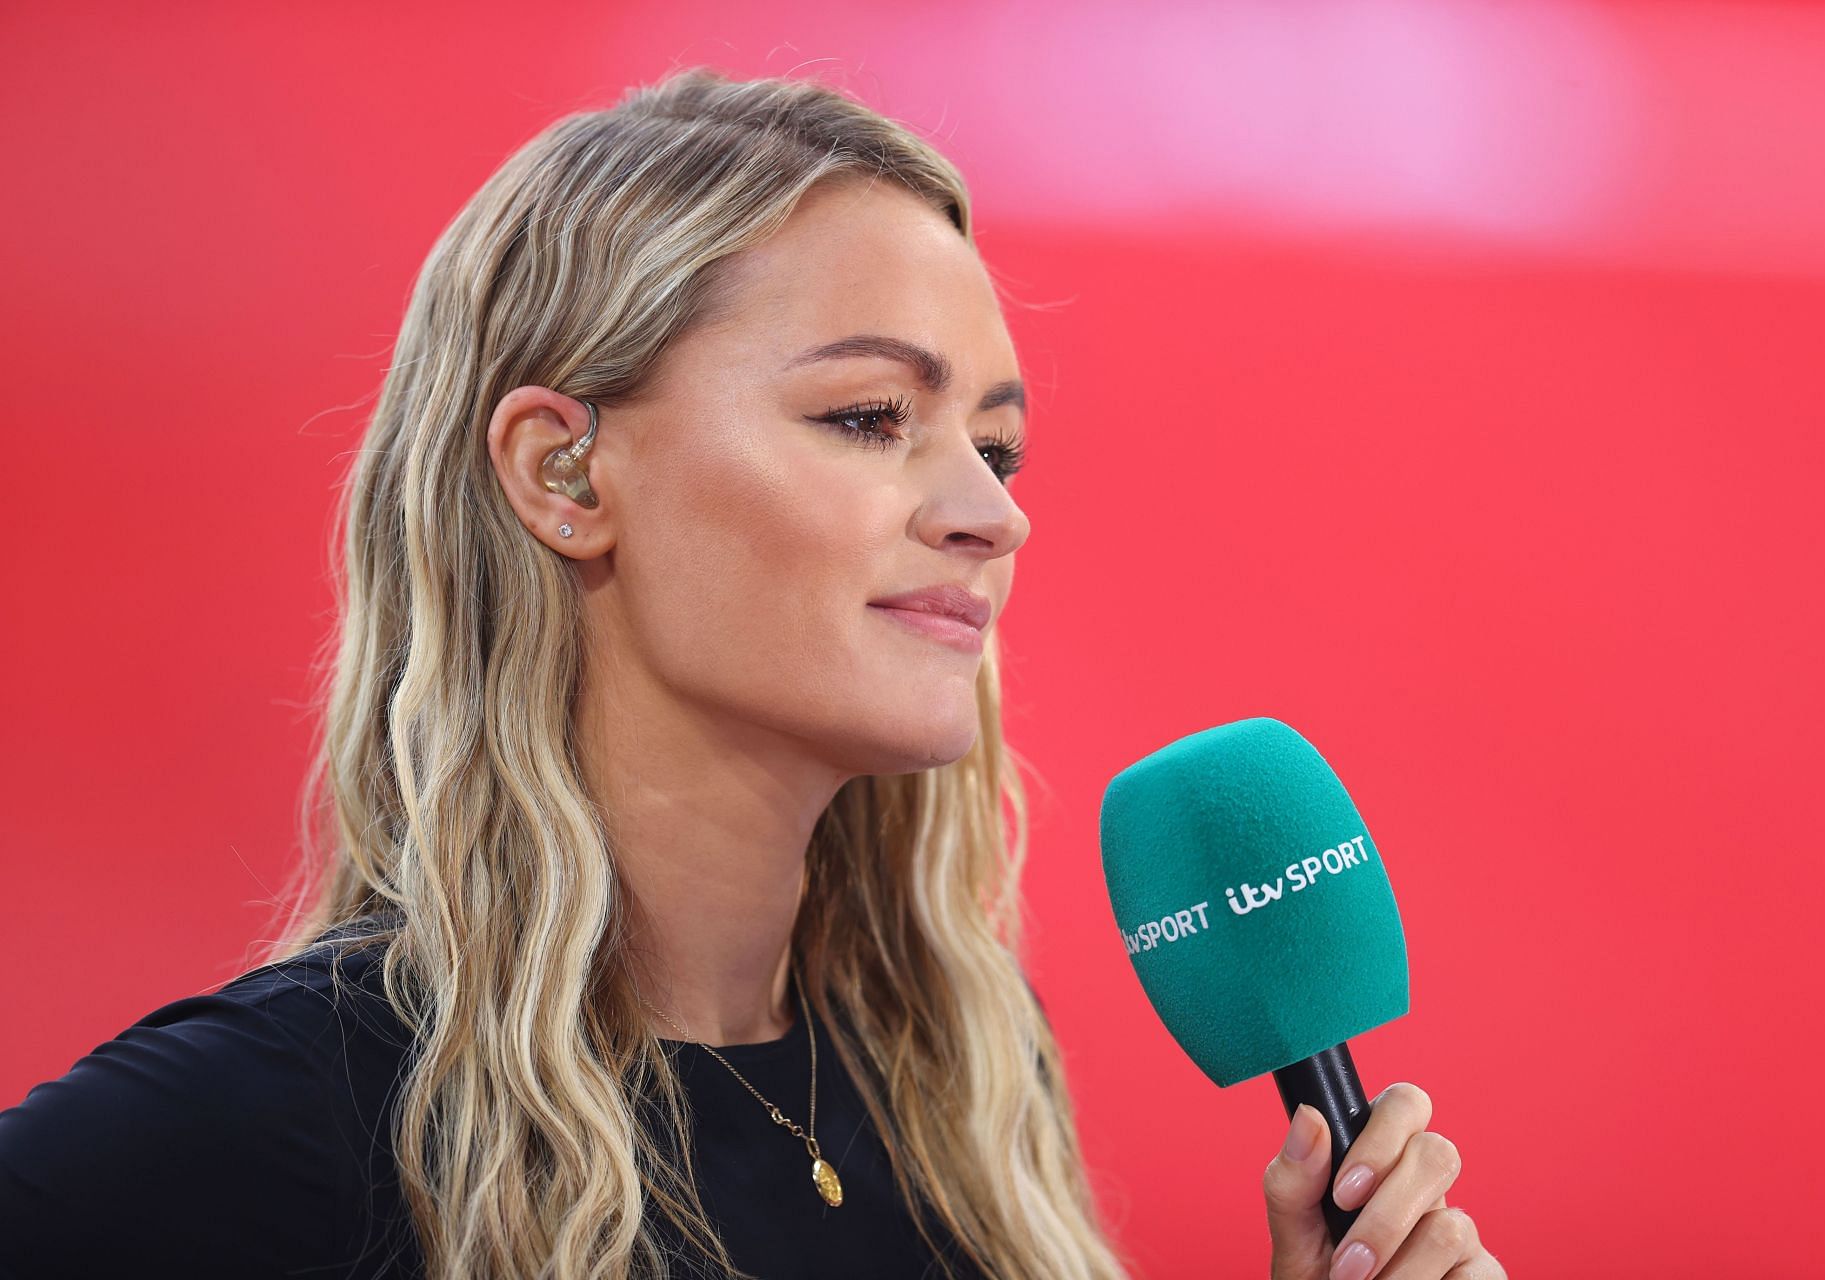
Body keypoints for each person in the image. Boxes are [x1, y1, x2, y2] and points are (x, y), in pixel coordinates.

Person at [0, 67, 1502, 1280]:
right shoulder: (272, 1127)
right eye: (867, 417)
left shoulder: (961, 1096)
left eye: (999, 442)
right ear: (561, 471)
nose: (994, 509)